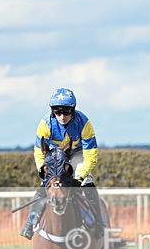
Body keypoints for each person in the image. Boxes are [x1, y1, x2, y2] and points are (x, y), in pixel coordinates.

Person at [20, 87, 106, 239]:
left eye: (66, 112)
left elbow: (91, 155)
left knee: (87, 182)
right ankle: (30, 223)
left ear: (73, 111)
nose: (61, 116)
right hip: (56, 155)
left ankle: (99, 223)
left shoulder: (84, 123)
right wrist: (43, 171)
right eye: (57, 112)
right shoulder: (45, 124)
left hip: (78, 153)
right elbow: (39, 152)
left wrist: (79, 178)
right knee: (45, 185)